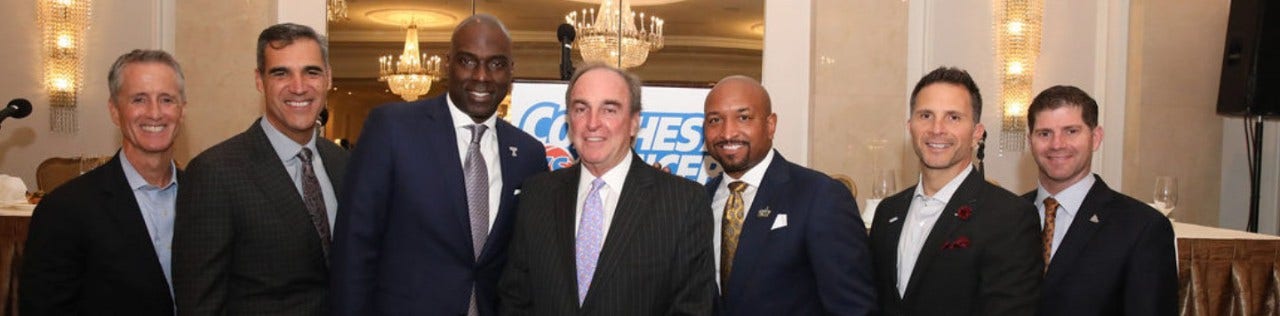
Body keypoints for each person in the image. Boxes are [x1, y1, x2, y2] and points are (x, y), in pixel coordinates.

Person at [330, 14, 548, 316]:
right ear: (448, 64)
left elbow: (526, 262)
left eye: (496, 64)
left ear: (511, 71)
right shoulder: (392, 130)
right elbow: (354, 247)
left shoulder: (528, 154)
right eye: (468, 61)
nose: (482, 76)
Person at [498, 64, 716, 315]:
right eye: (581, 109)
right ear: (569, 120)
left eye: (609, 110)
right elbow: (514, 300)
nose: (592, 123)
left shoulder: (683, 203)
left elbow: (691, 308)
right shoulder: (537, 195)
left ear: (634, 123)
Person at [172, 23, 347, 315]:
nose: (299, 86)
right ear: (259, 80)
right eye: (281, 73)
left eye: (311, 72)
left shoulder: (344, 163)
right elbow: (199, 304)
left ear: (328, 78)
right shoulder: (215, 173)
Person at [21, 49, 186, 315]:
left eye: (167, 99)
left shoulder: (207, 195)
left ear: (182, 111)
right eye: (139, 100)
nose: (155, 113)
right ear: (114, 111)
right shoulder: (64, 209)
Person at [868, 66, 1042, 316]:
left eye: (953, 117)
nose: (937, 128)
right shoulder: (888, 212)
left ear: (976, 133)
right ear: (910, 127)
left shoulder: (1010, 217)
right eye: (926, 115)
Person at [702, 76, 876, 315]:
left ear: (770, 125)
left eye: (743, 117)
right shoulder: (698, 202)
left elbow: (853, 308)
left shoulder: (821, 196)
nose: (727, 132)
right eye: (715, 120)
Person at [1022, 85, 1177, 316]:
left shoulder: (1142, 227)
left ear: (1095, 138)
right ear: (1030, 141)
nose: (1057, 144)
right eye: (1044, 133)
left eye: (1071, 131)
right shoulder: (1006, 215)